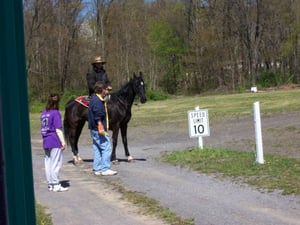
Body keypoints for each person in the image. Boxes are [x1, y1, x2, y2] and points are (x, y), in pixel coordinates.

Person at [40, 93, 69, 192]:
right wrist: (63, 142)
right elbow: (58, 129)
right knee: (55, 164)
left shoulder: (43, 113)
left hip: (46, 140)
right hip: (54, 140)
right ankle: (56, 184)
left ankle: (51, 184)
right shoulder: (55, 113)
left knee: (48, 163)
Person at [88, 81, 117, 176]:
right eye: (105, 89)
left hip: (93, 129)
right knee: (106, 148)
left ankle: (97, 168)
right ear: (102, 90)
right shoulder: (97, 101)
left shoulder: (94, 99)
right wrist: (101, 129)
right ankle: (105, 168)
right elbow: (98, 117)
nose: (107, 91)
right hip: (98, 129)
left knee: (97, 148)